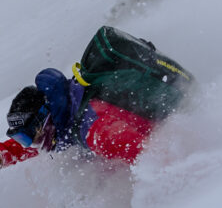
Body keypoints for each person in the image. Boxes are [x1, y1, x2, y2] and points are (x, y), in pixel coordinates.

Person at [0, 67, 155, 169]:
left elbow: (152, 158)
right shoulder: (66, 112)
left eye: (28, 138)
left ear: (44, 121)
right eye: (22, 138)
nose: (31, 145)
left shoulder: (94, 129)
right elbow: (27, 144)